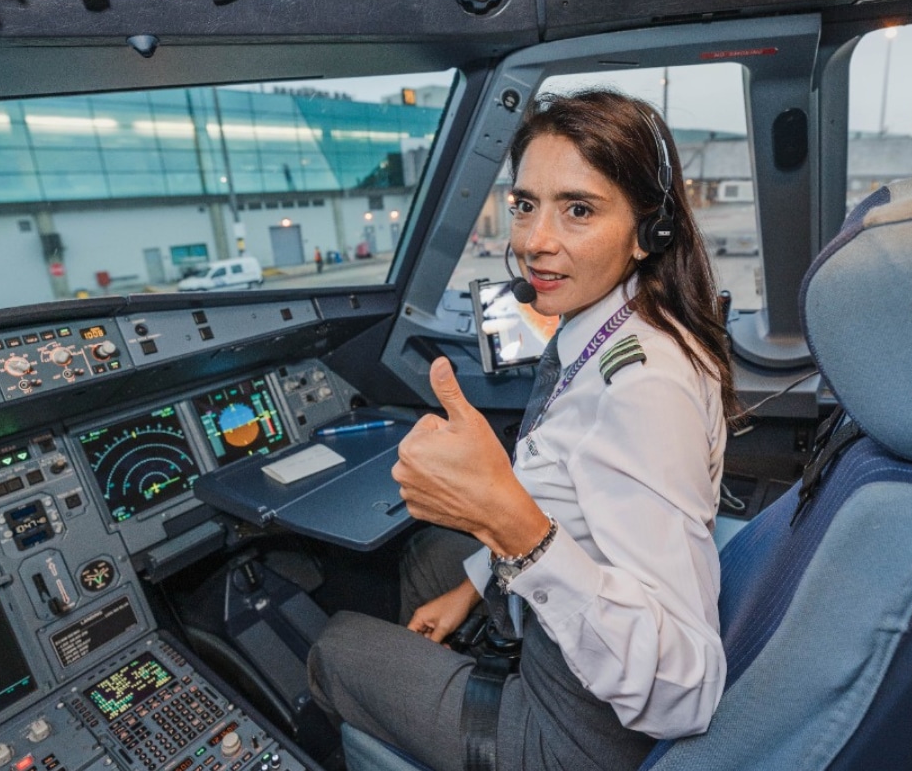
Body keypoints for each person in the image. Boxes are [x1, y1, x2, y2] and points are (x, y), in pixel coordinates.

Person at [308, 89, 739, 770]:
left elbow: (682, 691)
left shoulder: (645, 388)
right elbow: (571, 501)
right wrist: (477, 582)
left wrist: (510, 525)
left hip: (573, 737)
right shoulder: (614, 329)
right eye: (525, 204)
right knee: (432, 560)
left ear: (646, 232)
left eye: (578, 209)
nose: (535, 241)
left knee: (334, 647)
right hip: (564, 651)